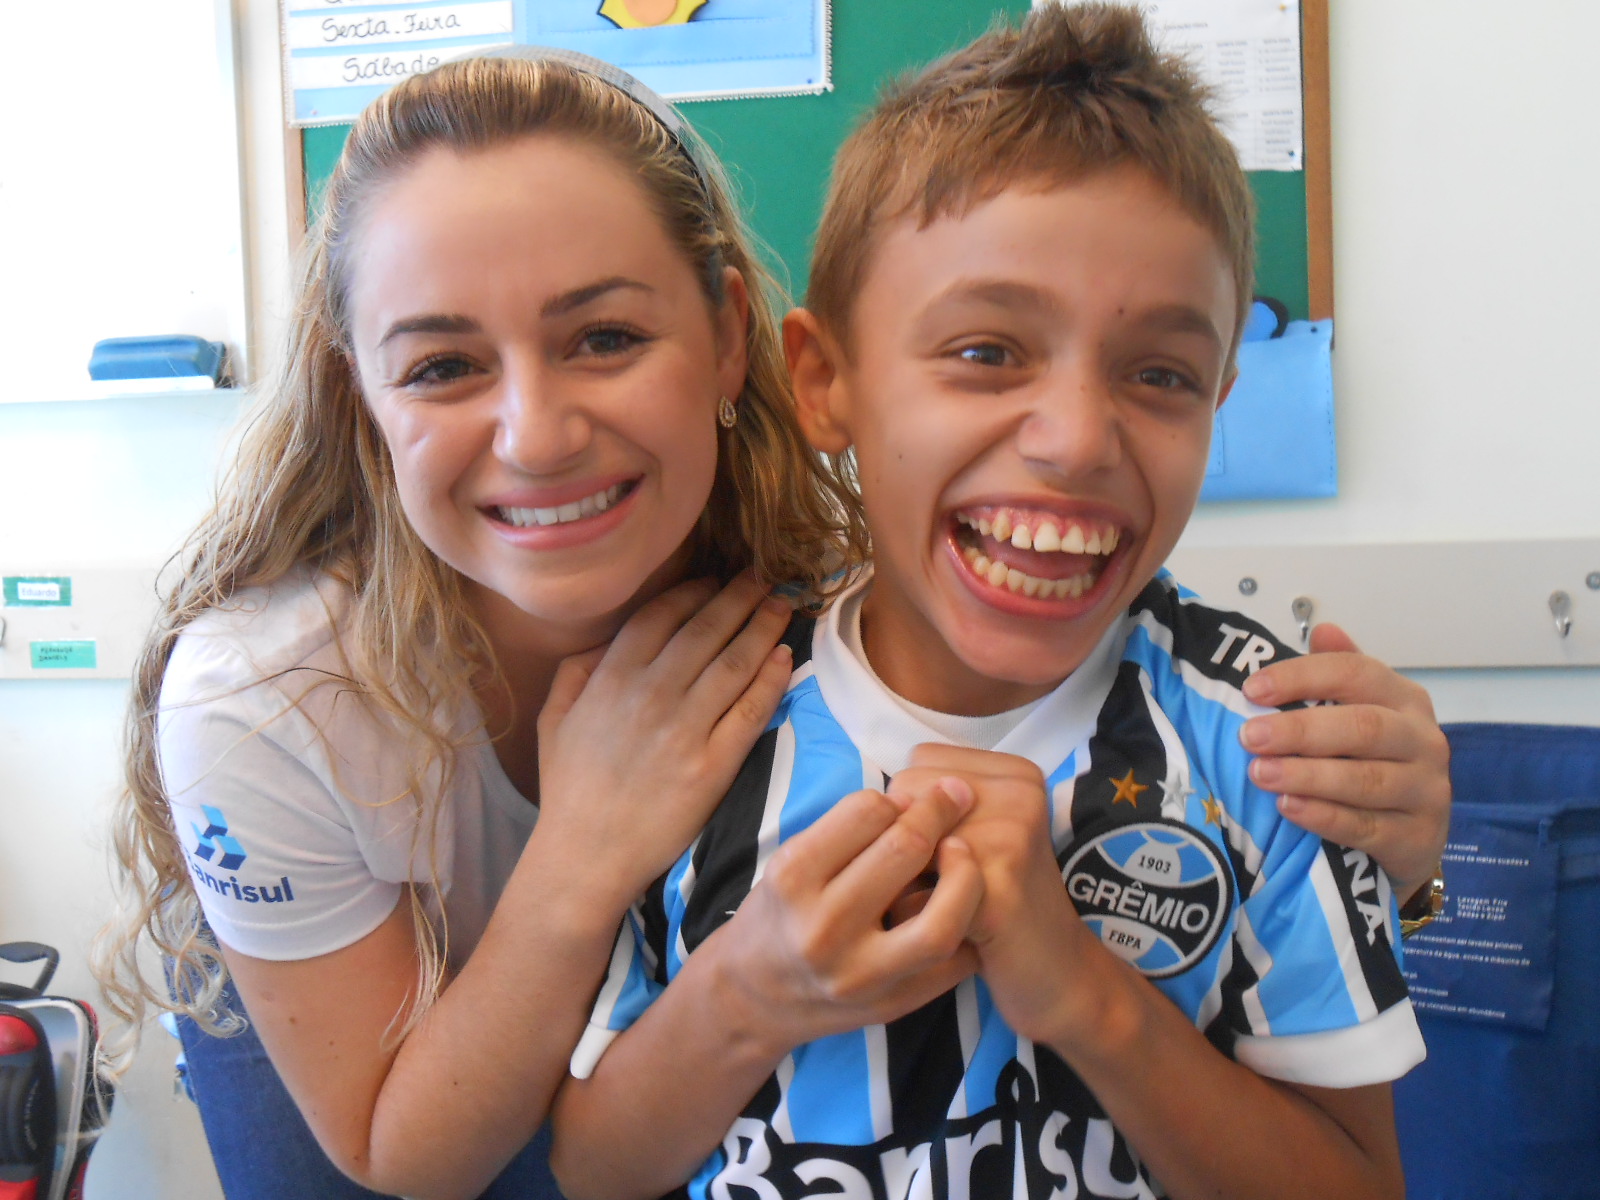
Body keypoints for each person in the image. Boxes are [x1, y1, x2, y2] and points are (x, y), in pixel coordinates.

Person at [95, 40, 1446, 1200]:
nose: (540, 431)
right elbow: (433, 1152)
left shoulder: (810, 585)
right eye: (444, 363)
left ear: (736, 344)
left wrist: (1396, 846)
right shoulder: (261, 696)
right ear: (359, 395)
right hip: (376, 1072)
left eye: (606, 337)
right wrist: (587, 863)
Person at [551, 8, 1432, 1199]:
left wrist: (1084, 998)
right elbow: (598, 1167)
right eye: (985, 352)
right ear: (823, 381)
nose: (1073, 440)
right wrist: (746, 994)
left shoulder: (1265, 744)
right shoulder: (703, 718)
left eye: (1160, 375)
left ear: (1219, 399)